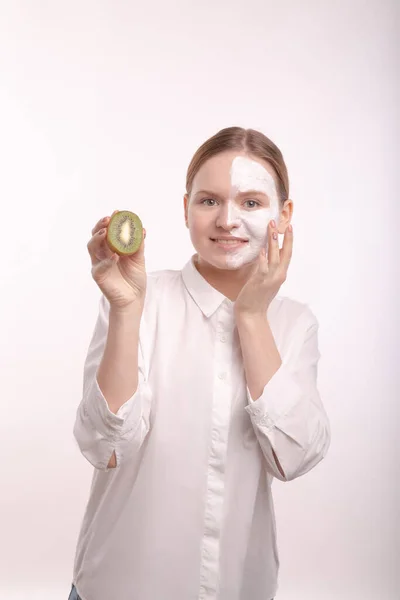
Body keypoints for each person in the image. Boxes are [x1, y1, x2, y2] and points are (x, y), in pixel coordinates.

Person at [68, 126, 331, 600]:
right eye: (209, 201)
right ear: (185, 207)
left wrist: (251, 316)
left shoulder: (294, 324)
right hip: (117, 586)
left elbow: (292, 457)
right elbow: (103, 447)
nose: (227, 220)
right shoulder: (139, 302)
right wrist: (127, 311)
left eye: (251, 203)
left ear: (283, 215)